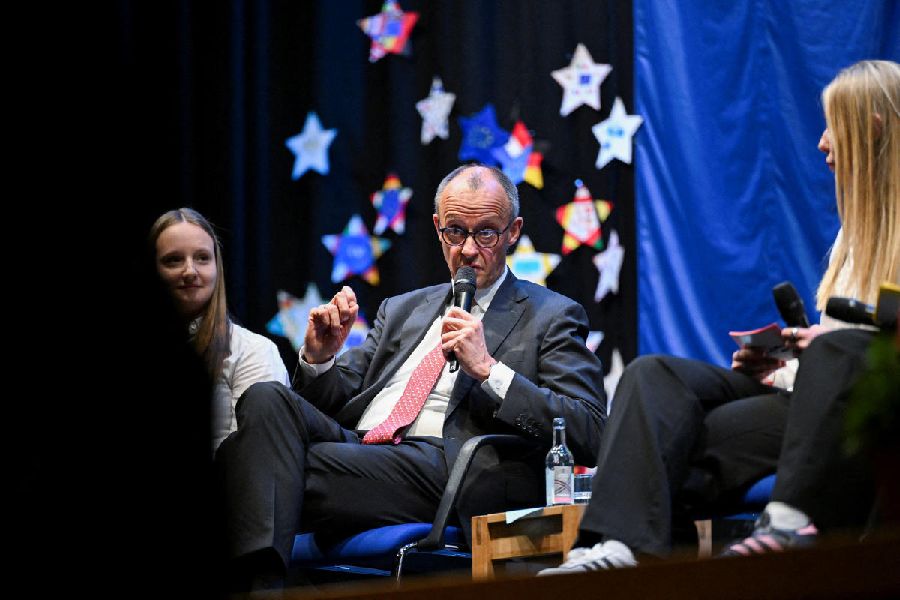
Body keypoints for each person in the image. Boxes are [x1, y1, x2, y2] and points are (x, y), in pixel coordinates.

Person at [538, 59, 900, 574]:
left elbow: (857, 351)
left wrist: (832, 346)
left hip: (865, 408)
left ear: (874, 128)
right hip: (810, 399)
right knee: (653, 377)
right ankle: (614, 548)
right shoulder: (854, 236)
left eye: (833, 127)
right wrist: (781, 366)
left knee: (701, 445)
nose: (821, 142)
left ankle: (787, 528)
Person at [215, 164, 607, 592]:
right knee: (266, 398)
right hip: (364, 449)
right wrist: (320, 358)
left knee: (246, 463)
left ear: (513, 232)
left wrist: (490, 371)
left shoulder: (551, 314)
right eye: (456, 231)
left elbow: (589, 429)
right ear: (438, 228)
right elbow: (330, 402)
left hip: (449, 466)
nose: (469, 249)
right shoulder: (403, 309)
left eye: (487, 233)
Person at [150, 208, 290, 453]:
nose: (190, 271)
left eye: (202, 258)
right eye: (174, 260)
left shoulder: (254, 351)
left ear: (217, 267)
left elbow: (258, 460)